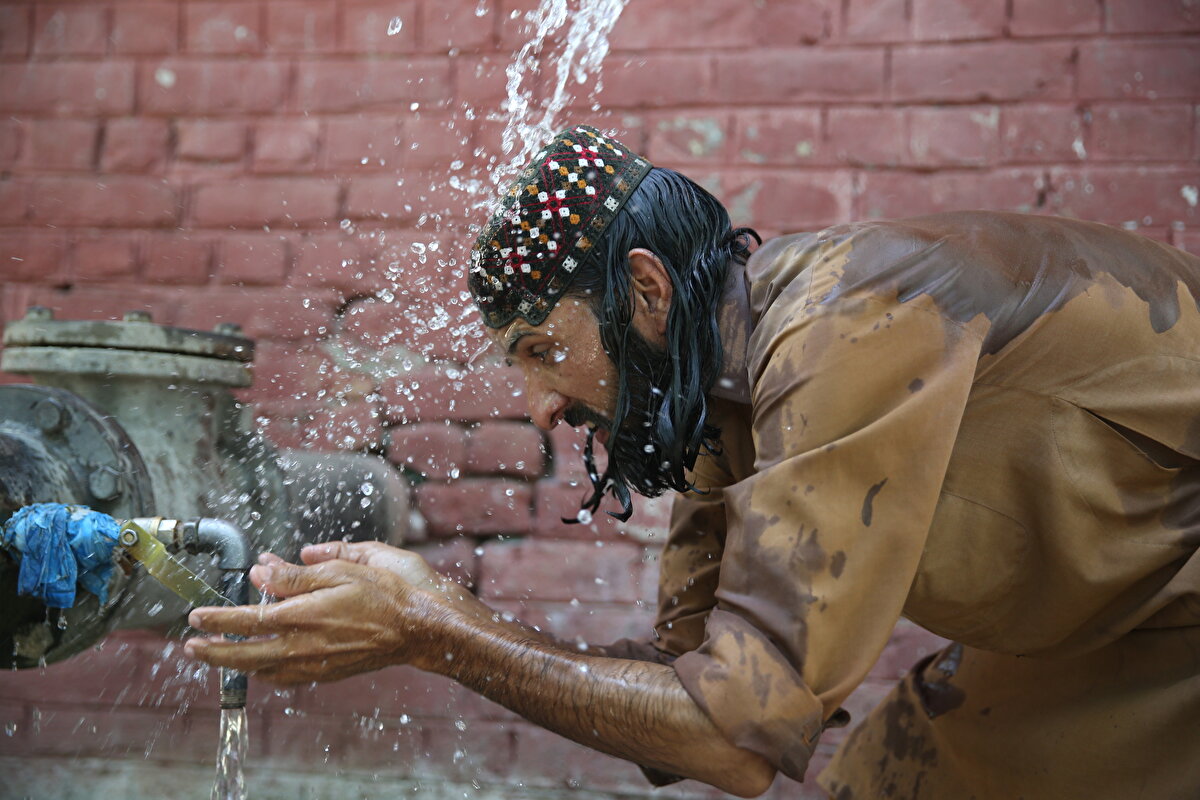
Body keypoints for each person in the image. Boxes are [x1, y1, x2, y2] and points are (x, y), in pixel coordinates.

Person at [186, 125, 1200, 798]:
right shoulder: (724, 407)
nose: (539, 402)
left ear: (644, 290)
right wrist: (427, 612)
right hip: (1096, 636)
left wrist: (433, 626)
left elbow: (736, 735)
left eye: (545, 348)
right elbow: (689, 696)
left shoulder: (845, 320)